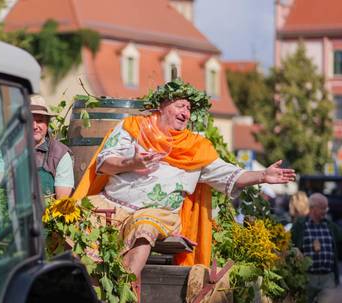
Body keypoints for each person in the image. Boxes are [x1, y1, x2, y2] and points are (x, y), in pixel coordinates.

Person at [73, 79, 296, 280]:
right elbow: (103, 163)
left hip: (157, 213)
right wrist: (132, 163)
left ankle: (122, 290)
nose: (186, 113)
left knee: (144, 228)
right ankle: (81, 291)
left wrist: (262, 176)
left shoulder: (196, 147)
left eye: (189, 109)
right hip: (112, 203)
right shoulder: (133, 127)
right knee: (71, 219)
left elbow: (230, 174)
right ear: (162, 106)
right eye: (181, 106)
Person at [0, 94, 74, 199]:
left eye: (40, 120)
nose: (34, 126)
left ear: (47, 123)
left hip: (46, 214)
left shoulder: (60, 154)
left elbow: (62, 201)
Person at [291, 193, 342, 303]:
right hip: (307, 277)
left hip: (327, 277)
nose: (326, 210)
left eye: (326, 207)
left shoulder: (331, 226)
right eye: (323, 207)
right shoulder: (300, 225)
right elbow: (290, 245)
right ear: (313, 208)